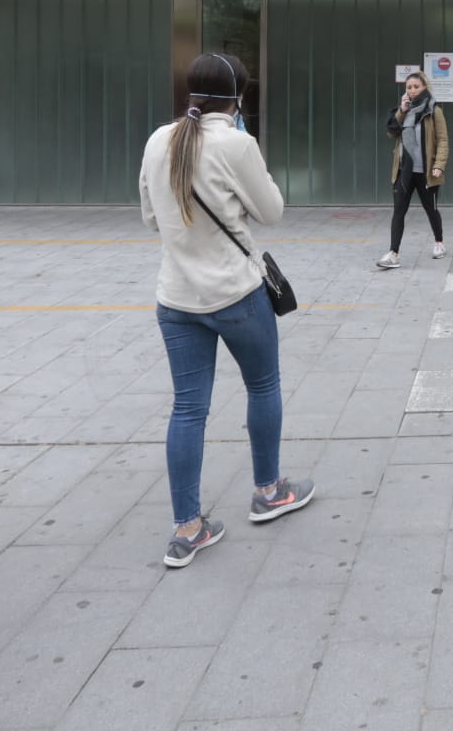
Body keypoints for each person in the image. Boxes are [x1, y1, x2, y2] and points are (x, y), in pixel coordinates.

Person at [138, 53, 312, 570]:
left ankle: (188, 528)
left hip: (176, 298)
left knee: (188, 409)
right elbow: (273, 211)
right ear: (238, 96)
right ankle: (268, 491)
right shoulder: (238, 143)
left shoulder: (157, 140)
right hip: (237, 295)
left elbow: (151, 218)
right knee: (262, 386)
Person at [379, 73, 448, 269]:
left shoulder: (434, 110)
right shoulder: (404, 110)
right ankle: (393, 254)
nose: (411, 90)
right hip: (404, 171)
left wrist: (439, 165)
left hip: (426, 172)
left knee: (431, 210)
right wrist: (401, 110)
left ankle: (439, 242)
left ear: (424, 86)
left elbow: (443, 140)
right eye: (408, 87)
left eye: (415, 86)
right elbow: (391, 132)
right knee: (398, 212)